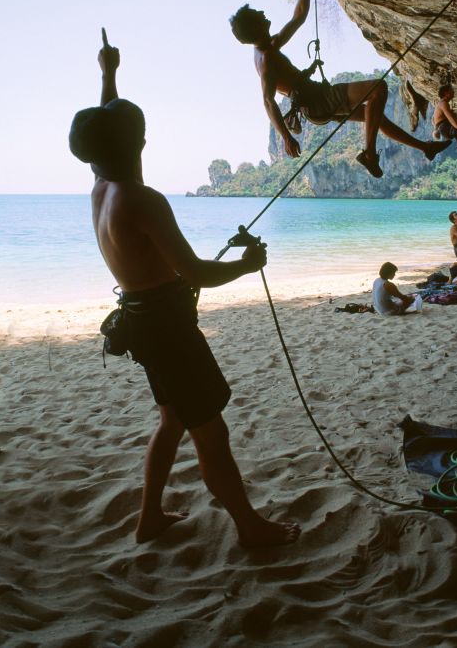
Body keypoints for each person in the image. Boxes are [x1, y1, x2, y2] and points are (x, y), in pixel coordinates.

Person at [68, 39, 300, 548]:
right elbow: (194, 272)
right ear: (139, 143)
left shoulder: (103, 186)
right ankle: (251, 529)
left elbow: (108, 123)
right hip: (169, 329)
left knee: (172, 420)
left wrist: (108, 73)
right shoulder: (143, 199)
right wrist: (247, 265)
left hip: (142, 321)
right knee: (211, 434)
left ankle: (149, 517)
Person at [230, 0, 451, 179]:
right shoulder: (267, 58)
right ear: (255, 26)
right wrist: (286, 137)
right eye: (257, 14)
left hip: (315, 100)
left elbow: (298, 17)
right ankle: (369, 155)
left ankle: (425, 147)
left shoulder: (269, 46)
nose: (261, 12)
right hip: (318, 100)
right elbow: (268, 101)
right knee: (379, 88)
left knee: (374, 117)